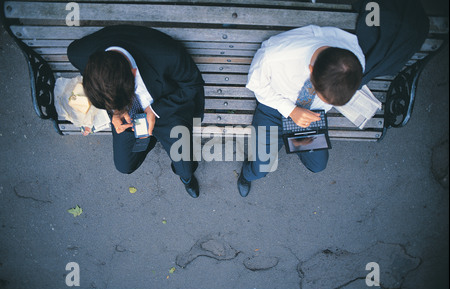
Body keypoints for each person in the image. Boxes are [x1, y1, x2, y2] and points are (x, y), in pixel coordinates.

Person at [67, 25, 205, 198]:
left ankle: (186, 179)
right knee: (124, 166)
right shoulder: (80, 54)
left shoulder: (167, 54)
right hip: (128, 115)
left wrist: (154, 110)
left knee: (184, 164)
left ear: (133, 73)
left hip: (166, 107)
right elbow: (74, 54)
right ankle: (151, 138)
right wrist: (115, 113)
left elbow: (193, 85)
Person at [237, 25, 365, 197]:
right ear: (311, 71)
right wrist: (290, 110)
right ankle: (246, 174)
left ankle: (293, 142)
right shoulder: (275, 56)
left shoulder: (355, 61)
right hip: (275, 107)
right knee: (261, 169)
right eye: (322, 95)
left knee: (318, 165)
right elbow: (256, 85)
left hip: (312, 113)